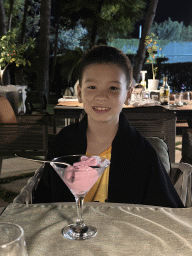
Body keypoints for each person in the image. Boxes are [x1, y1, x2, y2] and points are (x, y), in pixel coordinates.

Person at [33, 45, 184, 208]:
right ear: (79, 92)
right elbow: (42, 203)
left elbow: (166, 209)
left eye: (113, 88)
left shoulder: (142, 152)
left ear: (128, 94)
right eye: (91, 87)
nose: (101, 96)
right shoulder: (63, 142)